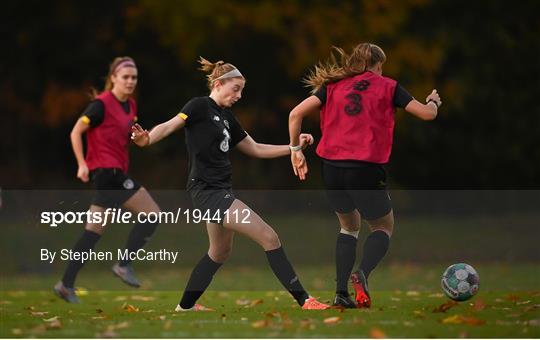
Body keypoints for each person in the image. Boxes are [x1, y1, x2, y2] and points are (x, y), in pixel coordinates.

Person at [131, 57, 328, 311]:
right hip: (207, 191)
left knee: (219, 251)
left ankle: (185, 307)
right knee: (269, 236)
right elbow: (169, 126)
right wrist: (146, 140)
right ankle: (305, 300)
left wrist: (293, 148)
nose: (239, 95)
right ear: (218, 83)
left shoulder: (227, 118)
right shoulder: (199, 106)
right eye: (235, 89)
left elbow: (255, 148)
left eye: (242, 90)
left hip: (220, 191)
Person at [288, 43, 442, 308]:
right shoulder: (388, 86)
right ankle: (362, 274)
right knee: (382, 227)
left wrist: (295, 150)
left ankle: (340, 294)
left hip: (332, 168)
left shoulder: (333, 85)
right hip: (365, 169)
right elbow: (427, 115)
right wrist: (433, 102)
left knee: (349, 227)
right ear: (378, 65)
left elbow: (295, 113)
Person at [54, 57, 161, 303]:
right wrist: (82, 164)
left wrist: (139, 139)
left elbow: (128, 138)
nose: (130, 81)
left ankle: (65, 284)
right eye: (125, 77)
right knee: (152, 213)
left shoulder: (131, 106)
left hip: (112, 175)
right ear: (113, 78)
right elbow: (76, 132)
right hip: (108, 174)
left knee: (93, 232)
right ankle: (124, 265)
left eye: (134, 77)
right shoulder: (100, 105)